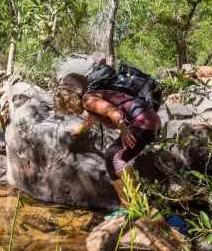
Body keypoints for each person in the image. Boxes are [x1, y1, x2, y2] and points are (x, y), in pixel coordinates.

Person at [54, 65, 161, 206]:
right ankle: (129, 204)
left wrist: (123, 129)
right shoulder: (91, 98)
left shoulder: (88, 100)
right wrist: (79, 130)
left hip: (142, 124)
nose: (71, 111)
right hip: (148, 121)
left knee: (114, 156)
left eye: (68, 107)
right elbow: (92, 118)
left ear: (71, 99)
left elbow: (111, 110)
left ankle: (136, 206)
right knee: (112, 158)